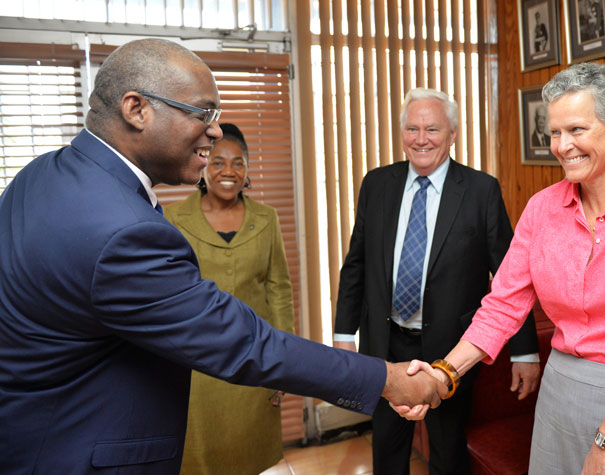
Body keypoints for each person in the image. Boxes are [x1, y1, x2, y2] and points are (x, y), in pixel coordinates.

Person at [0, 38, 447, 474]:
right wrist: (385, 379)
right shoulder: (122, 231)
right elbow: (244, 342)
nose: (215, 131)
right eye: (204, 112)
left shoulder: (42, 174)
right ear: (136, 109)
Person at [400, 63, 605, 474]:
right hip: (559, 398)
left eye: (576, 129)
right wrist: (442, 374)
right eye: (554, 132)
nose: (562, 145)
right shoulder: (541, 209)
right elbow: (502, 306)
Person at [334, 87, 541, 475]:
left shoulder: (481, 191)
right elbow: (356, 263)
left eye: (432, 129)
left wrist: (524, 352)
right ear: (401, 133)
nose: (421, 139)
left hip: (452, 349)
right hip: (386, 342)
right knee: (388, 448)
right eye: (412, 128)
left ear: (453, 133)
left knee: (448, 453)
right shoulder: (377, 184)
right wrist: (345, 334)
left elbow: (513, 276)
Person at [164, 123, 293, 474]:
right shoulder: (172, 220)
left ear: (248, 170)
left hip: (256, 361)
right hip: (196, 366)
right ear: (203, 166)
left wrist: (287, 363)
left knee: (251, 459)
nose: (229, 172)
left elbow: (278, 290)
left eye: (239, 163)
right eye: (218, 162)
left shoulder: (267, 219)